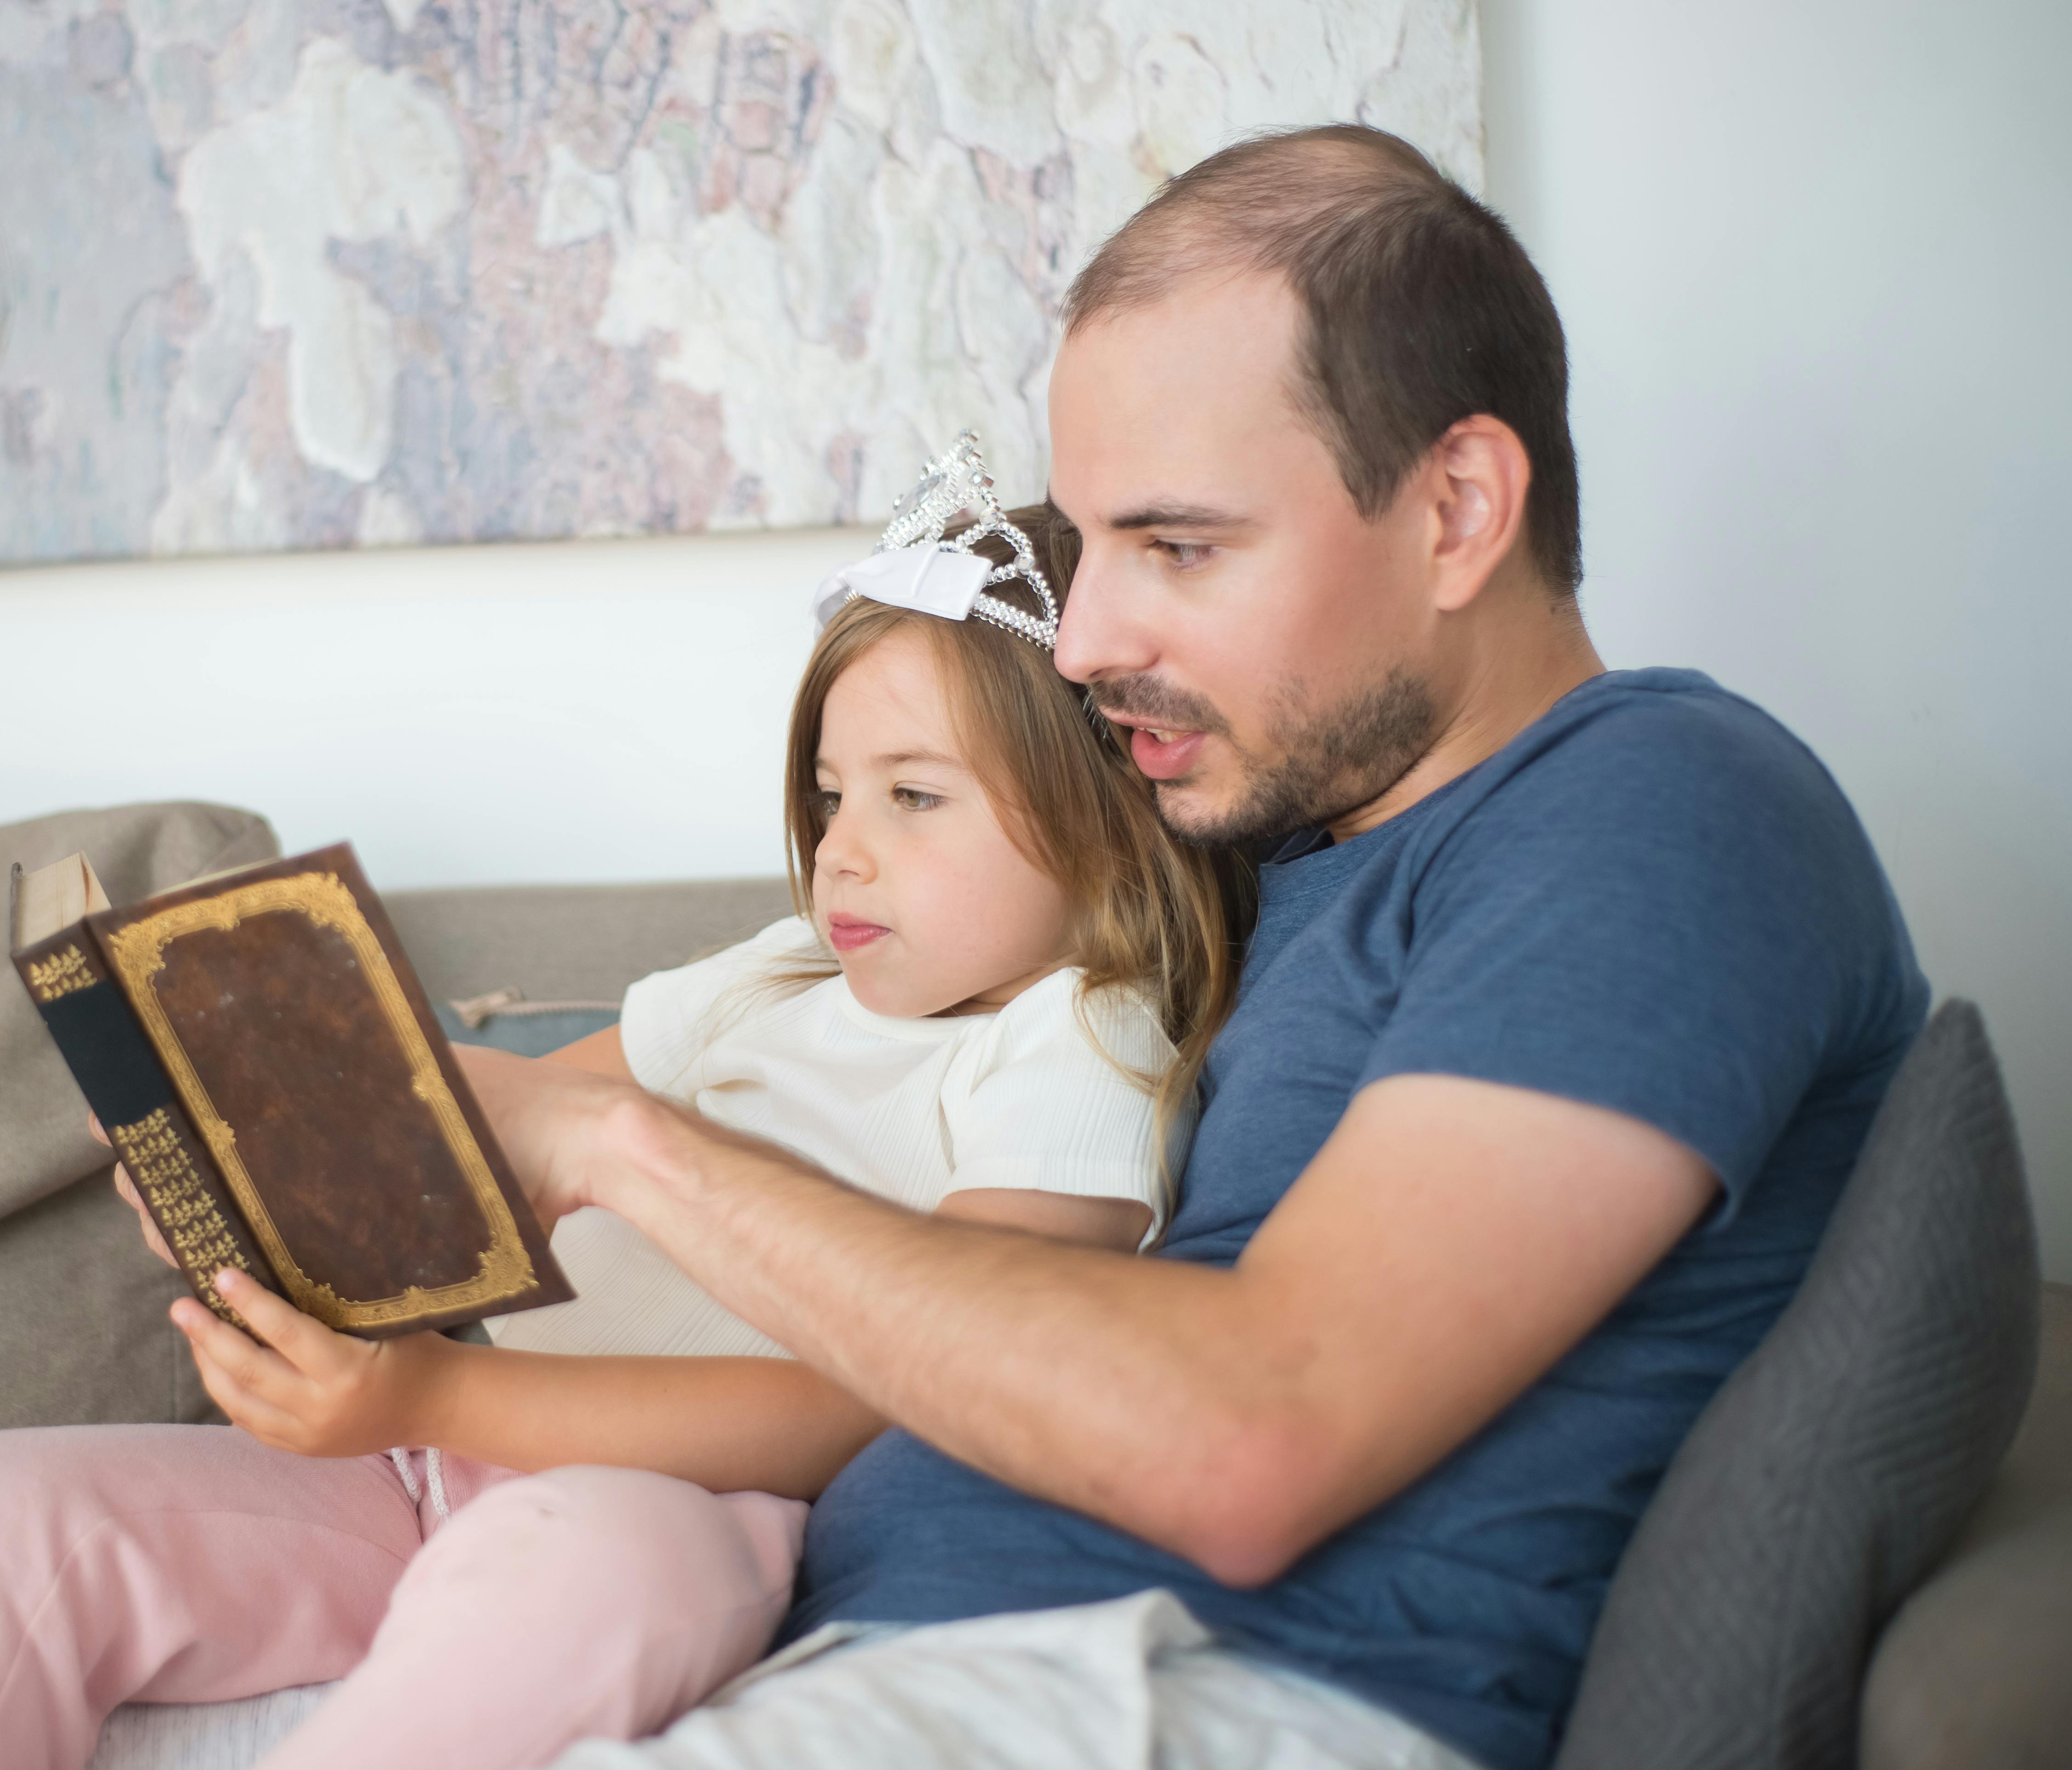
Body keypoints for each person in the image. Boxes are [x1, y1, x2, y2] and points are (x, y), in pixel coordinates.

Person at [455, 126, 1930, 1770]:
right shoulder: (1250, 849)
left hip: (1176, 1695)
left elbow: (1254, 1439)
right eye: (1087, 550)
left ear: (1456, 511)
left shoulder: (1657, 809)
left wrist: (621, 1149)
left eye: (1178, 548)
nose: (1083, 641)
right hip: (898, 1666)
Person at [0, 461, 1242, 1770]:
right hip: (411, 1467)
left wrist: (422, 1404)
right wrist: (245, 1177)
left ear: (1106, 824)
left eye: (915, 797)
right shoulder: (771, 976)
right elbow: (493, 1138)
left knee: (580, 1577)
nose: (842, 853)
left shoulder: (1077, 1037)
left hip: (680, 1508)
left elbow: (904, 1395)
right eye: (832, 793)